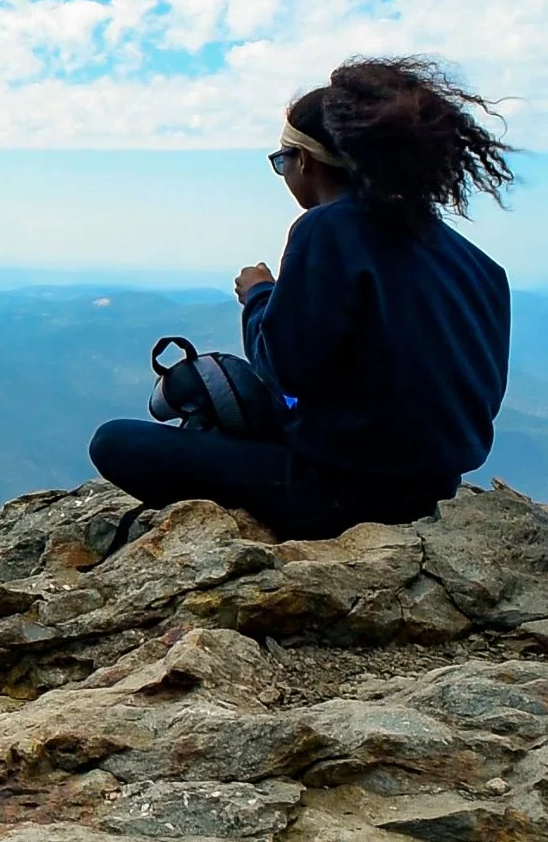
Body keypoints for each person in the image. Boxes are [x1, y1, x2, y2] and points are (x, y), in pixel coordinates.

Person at [88, 57, 515, 540]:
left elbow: (283, 366)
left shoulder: (326, 228)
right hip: (436, 486)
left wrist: (259, 295)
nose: (284, 171)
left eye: (281, 161)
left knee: (115, 442)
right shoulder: (476, 262)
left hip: (343, 494)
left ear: (306, 161)